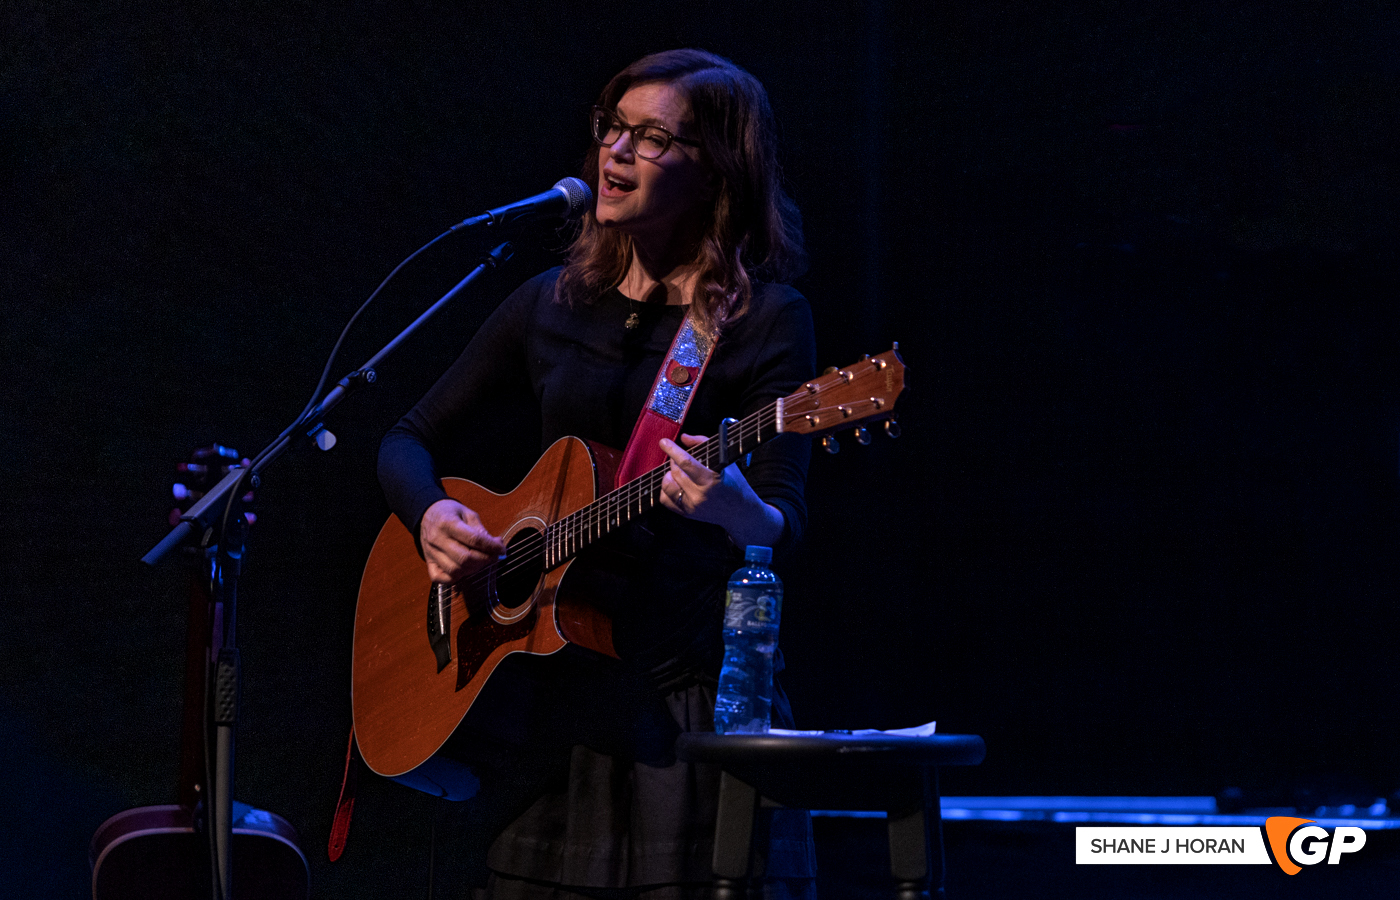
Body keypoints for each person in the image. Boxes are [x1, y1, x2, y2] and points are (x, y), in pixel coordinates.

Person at [378, 49, 817, 899]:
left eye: (651, 137)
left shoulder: (765, 322)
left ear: (715, 169)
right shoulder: (550, 300)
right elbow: (407, 436)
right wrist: (431, 517)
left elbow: (784, 522)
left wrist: (735, 511)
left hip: (682, 709)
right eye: (612, 127)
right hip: (547, 714)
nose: (616, 152)